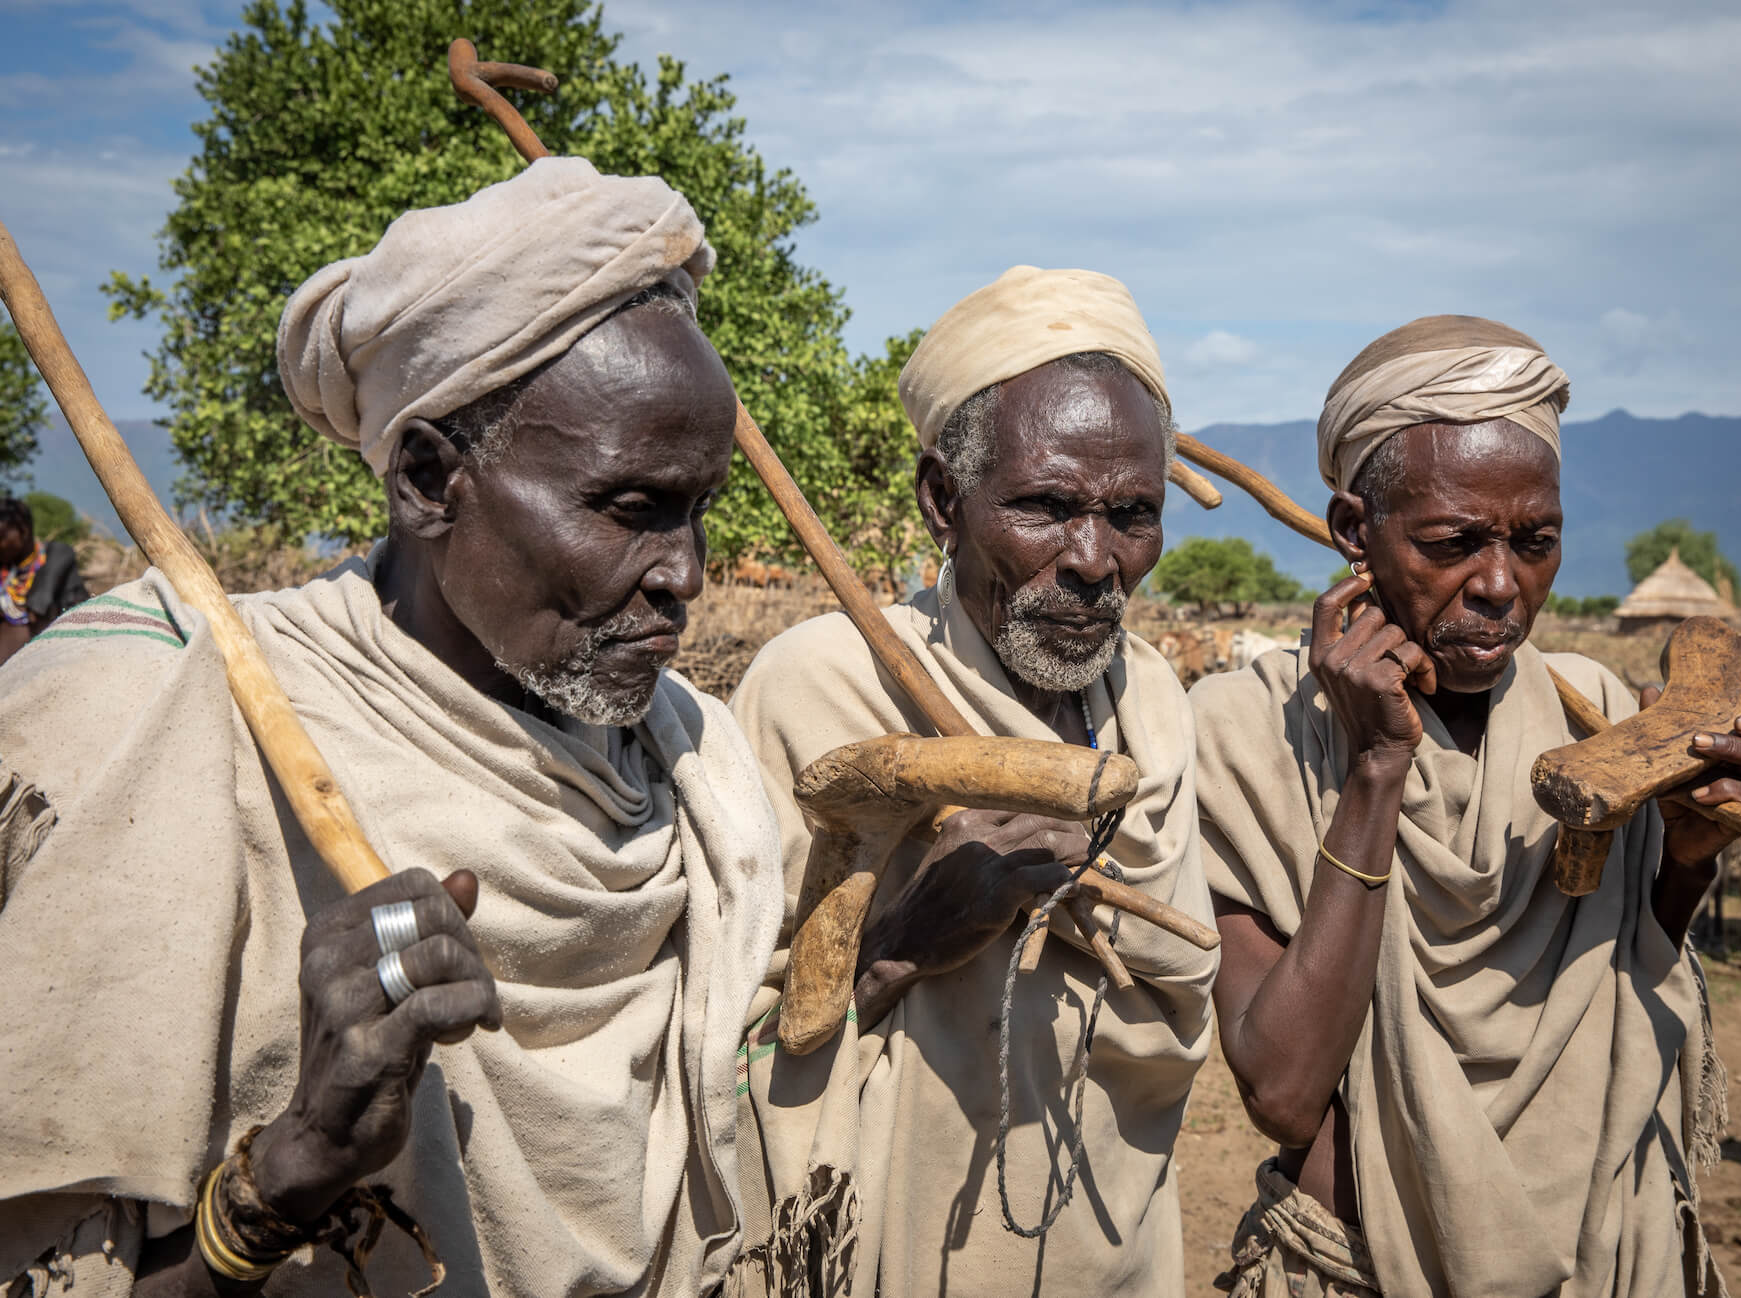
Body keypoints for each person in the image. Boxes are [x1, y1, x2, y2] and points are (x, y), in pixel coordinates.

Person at [0, 158, 784, 1298]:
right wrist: (295, 1164)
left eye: (699, 510)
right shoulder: (172, 714)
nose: (687, 575)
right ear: (427, 480)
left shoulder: (703, 765)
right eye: (632, 509)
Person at [1194, 315, 1741, 1298]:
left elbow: (1622, 986)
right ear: (1353, 532)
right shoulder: (1246, 733)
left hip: (1606, 1248)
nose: (1501, 585)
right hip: (1364, 1263)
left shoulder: (1595, 712)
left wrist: (1687, 855)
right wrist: (1376, 767)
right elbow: (1283, 1092)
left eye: (1536, 542)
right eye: (1453, 542)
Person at [727, 267, 1218, 1297]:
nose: (1095, 559)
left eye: (1133, 513)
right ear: (943, 502)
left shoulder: (1156, 706)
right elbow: (723, 1049)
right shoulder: (823, 686)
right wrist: (904, 939)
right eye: (1046, 507)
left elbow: (1176, 1001)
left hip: (1114, 1244)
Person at [0, 494, 91, 666]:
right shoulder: (6, 567)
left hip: (64, 650)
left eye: (1, 537)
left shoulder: (57, 554)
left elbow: (37, 608)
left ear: (23, 532)